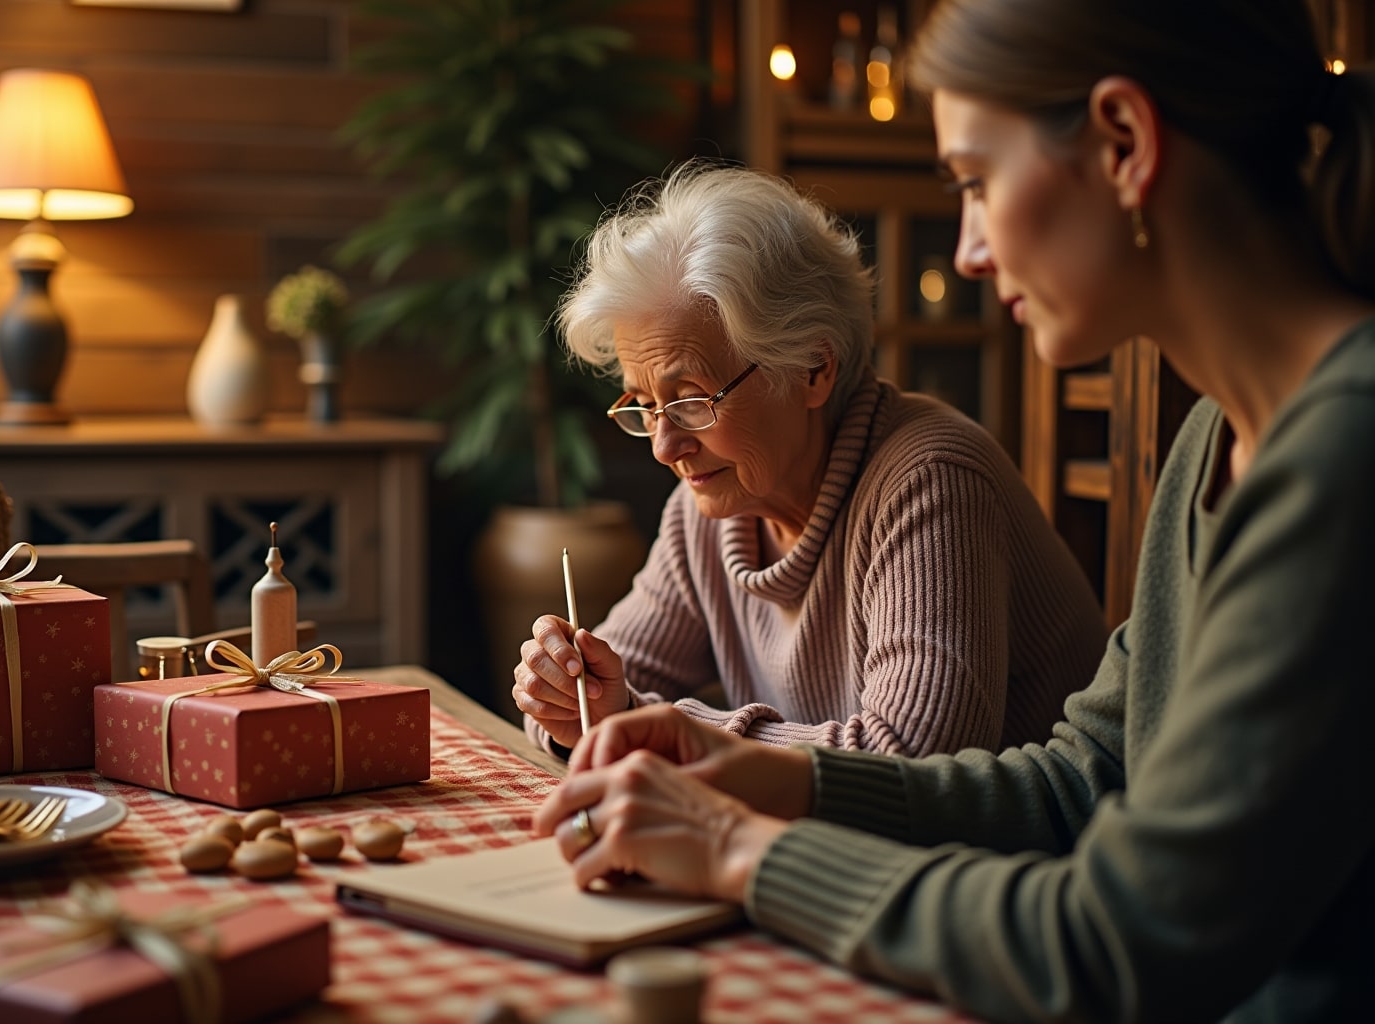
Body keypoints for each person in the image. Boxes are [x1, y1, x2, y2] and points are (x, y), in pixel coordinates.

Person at [533, 1, 1375, 1021]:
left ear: (1124, 144)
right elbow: (1081, 783)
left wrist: (735, 844)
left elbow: (1121, 940)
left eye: (977, 182)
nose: (969, 250)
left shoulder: (1342, 457)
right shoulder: (1220, 438)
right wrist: (766, 778)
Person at [513, 163, 1107, 758]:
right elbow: (593, 705)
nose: (666, 448)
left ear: (812, 368)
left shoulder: (931, 479)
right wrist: (563, 692)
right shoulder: (708, 512)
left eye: (692, 399)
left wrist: (659, 730)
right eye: (644, 405)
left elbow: (912, 761)